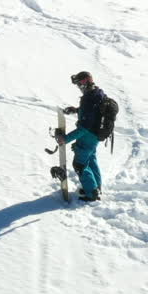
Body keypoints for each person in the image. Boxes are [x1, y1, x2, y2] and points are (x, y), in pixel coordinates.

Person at [55, 71, 105, 202]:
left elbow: (84, 127)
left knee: (80, 164)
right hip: (95, 135)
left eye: (79, 84)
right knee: (91, 159)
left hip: (88, 135)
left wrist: (65, 139)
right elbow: (93, 112)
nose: (79, 87)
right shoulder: (97, 93)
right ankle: (96, 187)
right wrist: (76, 110)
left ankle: (92, 194)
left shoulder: (89, 98)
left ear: (85, 82)